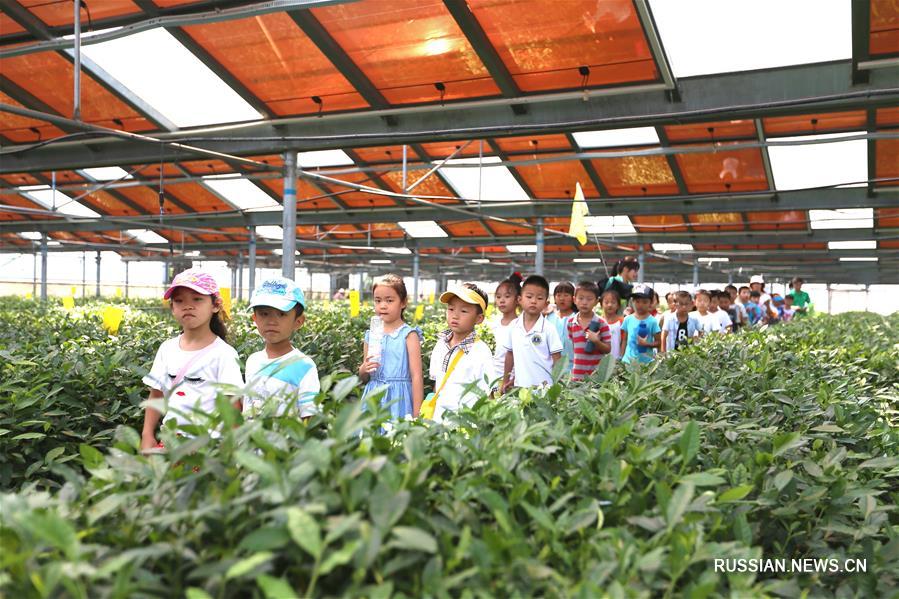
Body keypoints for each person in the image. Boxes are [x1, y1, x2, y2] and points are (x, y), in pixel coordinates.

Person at [141, 269, 244, 452]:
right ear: (172, 307)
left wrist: (230, 452)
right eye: (179, 301)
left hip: (207, 448)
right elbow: (157, 395)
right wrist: (147, 434)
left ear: (215, 305)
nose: (187, 306)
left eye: (197, 299)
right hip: (171, 444)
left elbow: (233, 405)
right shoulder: (167, 349)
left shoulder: (224, 354)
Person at [243, 276, 320, 420]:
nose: (272, 321)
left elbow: (309, 417)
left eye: (281, 314)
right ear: (255, 319)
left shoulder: (304, 366)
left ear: (298, 321)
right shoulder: (252, 361)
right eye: (264, 314)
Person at [358, 274, 424, 419]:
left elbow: (417, 376)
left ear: (403, 302)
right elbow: (365, 377)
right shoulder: (371, 335)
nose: (382, 305)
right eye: (378, 300)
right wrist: (363, 369)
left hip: (399, 398)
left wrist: (417, 413)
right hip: (373, 396)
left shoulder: (408, 335)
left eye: (389, 300)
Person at [426, 283, 493, 423]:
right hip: (438, 420)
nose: (455, 315)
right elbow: (437, 384)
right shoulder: (440, 344)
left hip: (464, 424)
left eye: (464, 311)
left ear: (479, 318)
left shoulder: (481, 351)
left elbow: (489, 395)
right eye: (451, 309)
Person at [501, 274, 563, 391]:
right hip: (520, 388)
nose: (534, 301)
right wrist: (507, 380)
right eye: (529, 297)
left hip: (545, 389)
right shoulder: (513, 326)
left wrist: (558, 386)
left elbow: (557, 359)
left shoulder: (549, 329)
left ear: (546, 303)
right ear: (520, 300)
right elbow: (510, 355)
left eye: (539, 298)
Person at [567, 281, 610, 381]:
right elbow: (575, 347)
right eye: (581, 298)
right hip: (577, 375)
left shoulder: (601, 323)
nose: (584, 302)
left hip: (596, 376)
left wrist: (596, 341)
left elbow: (608, 349)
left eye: (589, 299)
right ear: (574, 300)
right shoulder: (571, 323)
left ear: (596, 301)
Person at [488, 272, 521, 386]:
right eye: (498, 297)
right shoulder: (494, 323)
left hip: (512, 379)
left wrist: (512, 379)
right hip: (493, 376)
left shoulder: (520, 325)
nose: (502, 300)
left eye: (507, 296)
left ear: (518, 300)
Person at [620, 284, 661, 364]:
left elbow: (659, 342)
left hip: (646, 364)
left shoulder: (652, 321)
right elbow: (624, 340)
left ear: (650, 303)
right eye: (637, 301)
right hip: (628, 362)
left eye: (644, 302)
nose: (640, 305)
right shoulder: (628, 319)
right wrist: (622, 357)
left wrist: (647, 344)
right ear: (632, 302)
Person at [545, 281, 576, 370]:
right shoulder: (549, 317)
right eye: (558, 295)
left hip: (572, 367)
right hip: (551, 366)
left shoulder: (577, 318)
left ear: (573, 298)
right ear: (554, 298)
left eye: (566, 295)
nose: (562, 298)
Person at [600, 289, 624, 361]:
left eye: (613, 302)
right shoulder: (599, 322)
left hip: (617, 359)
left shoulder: (622, 322)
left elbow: (624, 341)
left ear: (618, 305)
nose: (610, 305)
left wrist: (621, 357)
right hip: (601, 360)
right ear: (601, 304)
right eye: (606, 302)